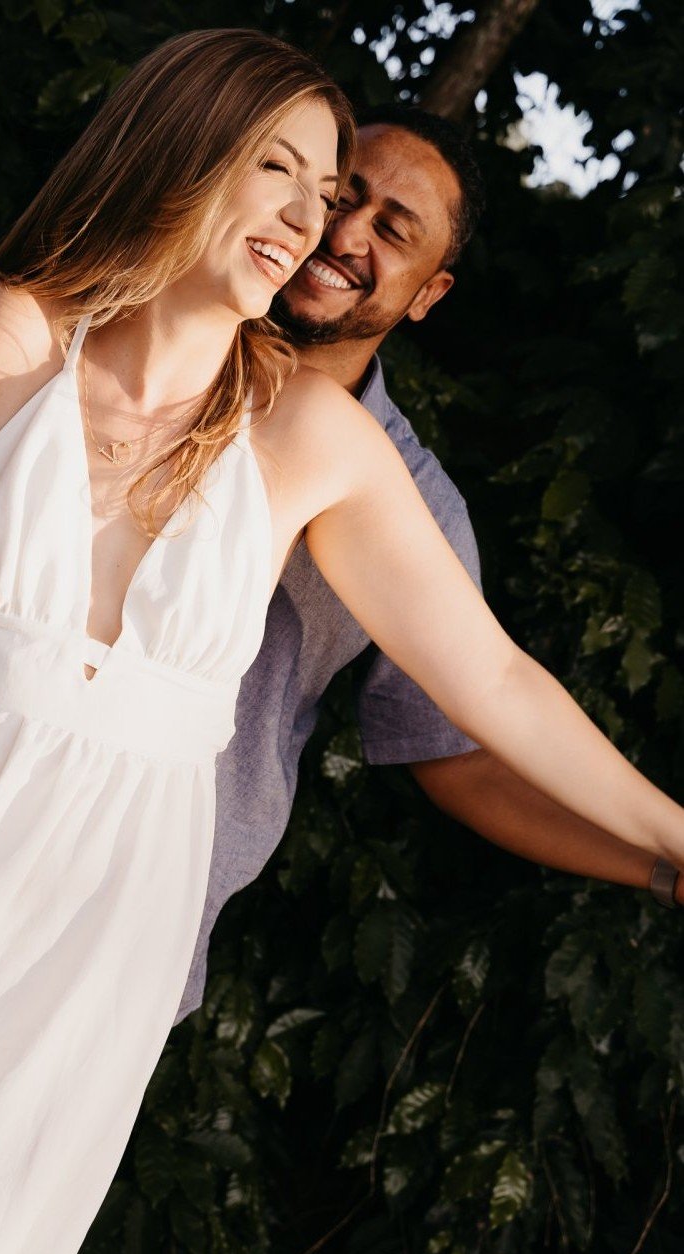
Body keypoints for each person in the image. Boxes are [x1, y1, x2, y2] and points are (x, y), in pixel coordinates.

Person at [0, 27, 682, 1254]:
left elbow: (493, 681)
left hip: (109, 908)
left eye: (321, 188)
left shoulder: (316, 438)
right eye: (277, 169)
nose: (308, 218)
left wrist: (674, 837)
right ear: (183, 152)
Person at [172, 105, 683, 1024]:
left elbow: (465, 748)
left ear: (427, 295)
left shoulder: (413, 499)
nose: (345, 235)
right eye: (340, 196)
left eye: (393, 230)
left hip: (169, 885)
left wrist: (660, 866)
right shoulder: (146, 352)